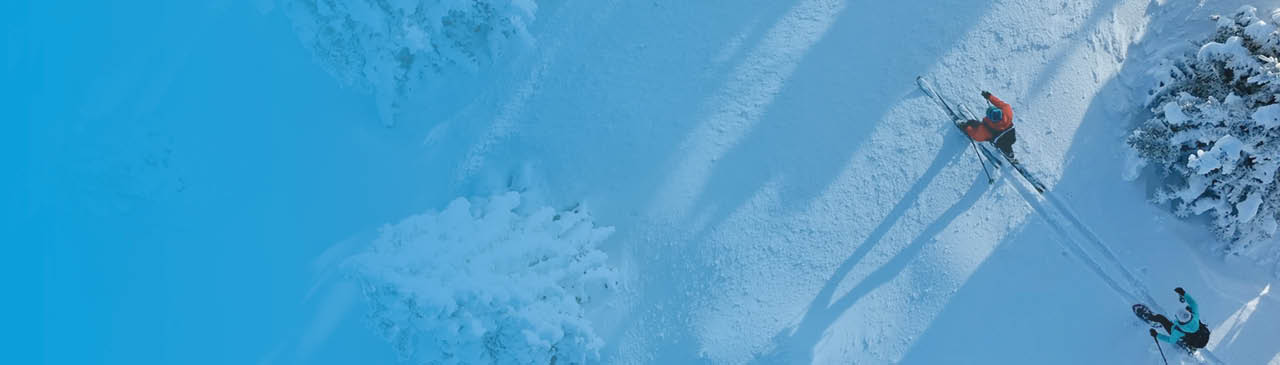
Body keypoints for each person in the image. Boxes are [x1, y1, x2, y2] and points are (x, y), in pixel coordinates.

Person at [1147, 287, 1211, 352]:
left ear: (1180, 321)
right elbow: (1193, 304)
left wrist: (1157, 335)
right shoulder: (1195, 316)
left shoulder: (1178, 331)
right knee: (1189, 307)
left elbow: (1170, 340)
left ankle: (1149, 317)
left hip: (1181, 333)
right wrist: (1184, 294)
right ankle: (1192, 345)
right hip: (1199, 334)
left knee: (1161, 318)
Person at [961, 91, 1017, 163]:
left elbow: (976, 136)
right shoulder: (1007, 113)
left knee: (1004, 146)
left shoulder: (986, 129)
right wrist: (990, 97)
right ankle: (1010, 155)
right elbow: (1002, 104)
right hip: (1011, 137)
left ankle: (966, 123)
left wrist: (966, 128)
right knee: (1008, 145)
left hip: (1000, 141)